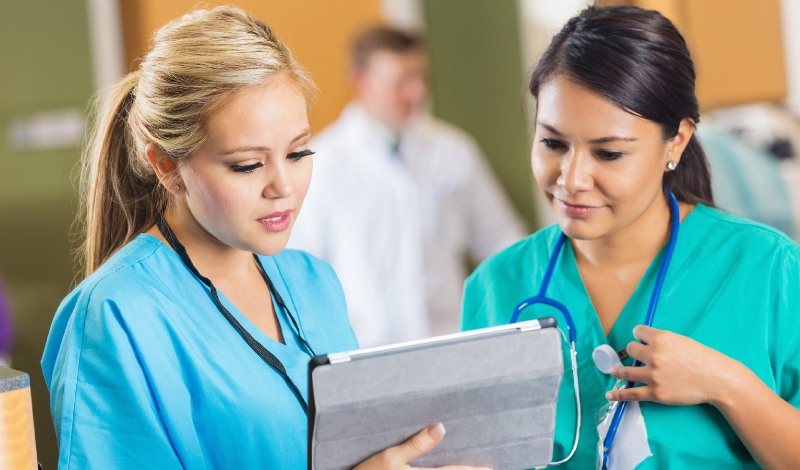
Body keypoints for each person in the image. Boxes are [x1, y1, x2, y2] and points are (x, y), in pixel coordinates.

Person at [40, 7, 485, 469]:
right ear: (168, 167)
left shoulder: (315, 282)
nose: (283, 187)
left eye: (298, 152)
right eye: (247, 165)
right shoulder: (115, 316)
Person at [461, 5, 800, 468]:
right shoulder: (495, 286)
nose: (572, 178)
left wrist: (724, 383)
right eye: (553, 143)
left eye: (609, 153)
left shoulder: (769, 269)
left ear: (676, 142)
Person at [288, 26, 525, 347]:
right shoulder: (322, 165)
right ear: (362, 83)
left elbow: (503, 241)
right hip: (363, 350)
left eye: (420, 78)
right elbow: (301, 272)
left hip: (448, 340)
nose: (416, 92)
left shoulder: (453, 151)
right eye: (401, 82)